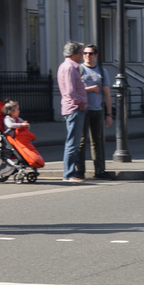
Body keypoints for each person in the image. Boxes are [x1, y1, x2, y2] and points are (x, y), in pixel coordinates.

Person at [76, 44, 113, 180]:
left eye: (90, 53)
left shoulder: (102, 72)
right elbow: (74, 91)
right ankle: (80, 170)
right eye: (85, 53)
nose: (87, 56)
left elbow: (107, 94)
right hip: (83, 110)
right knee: (81, 141)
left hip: (97, 110)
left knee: (98, 141)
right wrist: (91, 89)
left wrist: (109, 114)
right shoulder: (79, 69)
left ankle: (100, 170)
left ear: (95, 55)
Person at [57, 42, 88, 182]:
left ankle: (70, 172)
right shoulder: (70, 68)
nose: (82, 56)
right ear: (73, 54)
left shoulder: (67, 66)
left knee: (73, 142)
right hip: (74, 108)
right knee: (73, 143)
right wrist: (80, 103)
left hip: (72, 107)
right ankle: (69, 174)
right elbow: (70, 91)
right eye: (81, 53)